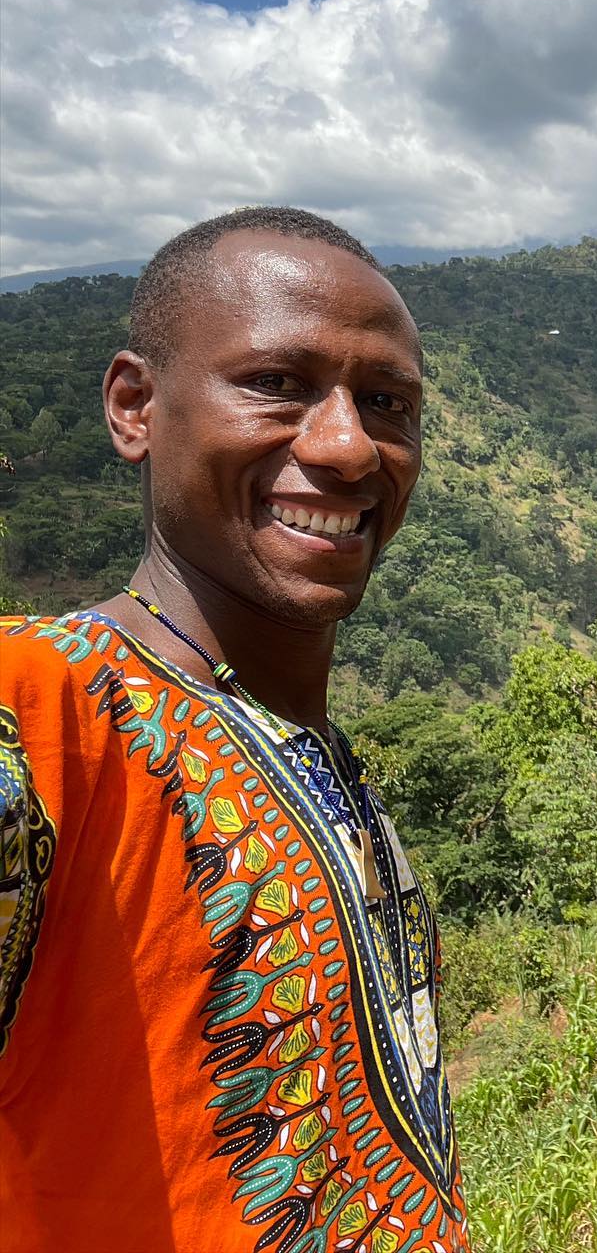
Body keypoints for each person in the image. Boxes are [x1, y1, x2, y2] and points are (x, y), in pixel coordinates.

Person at [0, 208, 470, 1251]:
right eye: (276, 383)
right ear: (136, 406)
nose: (349, 446)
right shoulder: (38, 710)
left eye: (386, 402)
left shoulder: (317, 754)